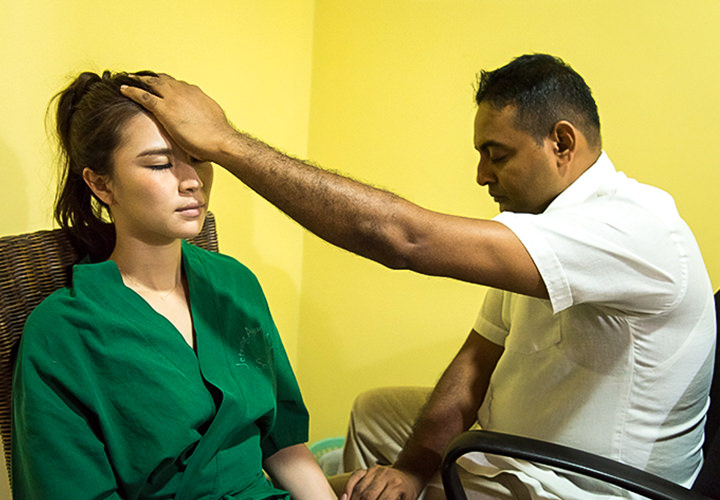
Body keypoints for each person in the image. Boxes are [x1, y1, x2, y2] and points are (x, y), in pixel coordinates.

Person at [120, 54, 715, 499]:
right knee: (374, 414)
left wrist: (225, 142)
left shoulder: (630, 228)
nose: (481, 175)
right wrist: (408, 470)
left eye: (497, 154)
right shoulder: (543, 227)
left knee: (342, 488)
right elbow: (478, 359)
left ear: (561, 142)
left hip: (579, 483)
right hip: (513, 445)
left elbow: (404, 238)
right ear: (101, 185)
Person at [11, 70, 337, 500]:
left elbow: (284, 444)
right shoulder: (63, 332)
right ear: (101, 184)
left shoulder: (234, 283)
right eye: (160, 164)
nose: (193, 181)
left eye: (198, 158)